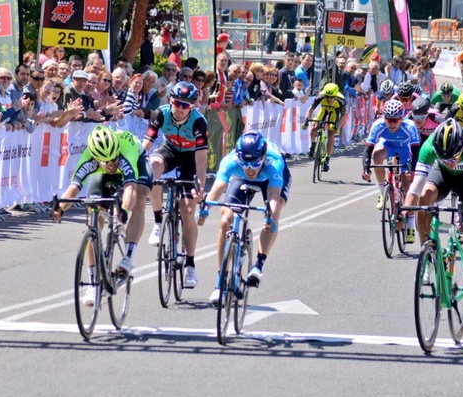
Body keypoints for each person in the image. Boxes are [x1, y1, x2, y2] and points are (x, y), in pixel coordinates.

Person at [53, 126, 154, 304]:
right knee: (94, 214)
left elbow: (130, 187)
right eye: (106, 161)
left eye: (113, 159)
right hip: (101, 176)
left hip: (137, 162)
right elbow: (73, 189)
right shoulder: (88, 158)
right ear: (95, 158)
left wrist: (123, 209)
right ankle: (92, 283)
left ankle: (129, 256)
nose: (111, 164)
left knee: (139, 197)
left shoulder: (125, 152)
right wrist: (60, 209)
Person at [401, 119, 463, 325]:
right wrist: (405, 214)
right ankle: (428, 253)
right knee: (424, 199)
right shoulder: (429, 145)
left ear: (462, 147)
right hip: (443, 178)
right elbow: (415, 187)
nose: (449, 161)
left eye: (453, 157)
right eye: (443, 157)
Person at [198, 131, 291, 305]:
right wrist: (204, 209)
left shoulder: (274, 162)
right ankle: (220, 284)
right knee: (225, 219)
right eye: (244, 163)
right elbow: (217, 189)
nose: (249, 169)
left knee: (275, 212)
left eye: (254, 163)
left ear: (262, 157)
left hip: (270, 180)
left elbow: (273, 195)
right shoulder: (230, 161)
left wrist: (270, 217)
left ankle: (259, 264)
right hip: (238, 178)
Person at [143, 82, 208, 289]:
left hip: (190, 158)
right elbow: (147, 143)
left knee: (188, 211)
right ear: (170, 100)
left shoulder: (199, 123)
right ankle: (158, 220)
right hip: (169, 149)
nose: (180, 109)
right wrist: (137, 167)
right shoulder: (160, 114)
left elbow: (201, 160)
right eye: (176, 103)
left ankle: (190, 264)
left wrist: (200, 185)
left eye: (185, 105)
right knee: (152, 167)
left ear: (192, 106)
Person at [362, 99, 421, 243]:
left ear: (402, 118)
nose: (392, 124)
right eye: (389, 120)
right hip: (387, 145)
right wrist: (366, 169)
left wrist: (412, 171)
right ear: (384, 118)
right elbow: (368, 149)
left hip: (405, 149)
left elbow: (416, 150)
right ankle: (383, 191)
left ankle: (411, 225)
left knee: (408, 186)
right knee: (377, 155)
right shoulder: (378, 125)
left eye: (396, 120)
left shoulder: (410, 126)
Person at [302, 83, 346, 172]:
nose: (329, 99)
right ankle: (313, 146)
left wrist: (338, 127)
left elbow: (343, 115)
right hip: (323, 109)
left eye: (332, 97)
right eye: (327, 97)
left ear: (336, 95)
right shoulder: (320, 96)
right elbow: (310, 109)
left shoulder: (341, 100)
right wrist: (306, 120)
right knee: (315, 127)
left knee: (331, 132)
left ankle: (327, 158)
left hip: (334, 111)